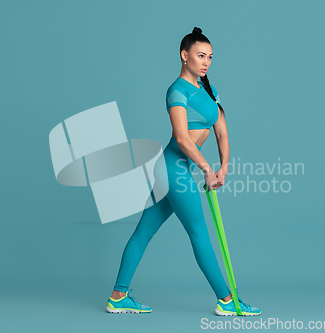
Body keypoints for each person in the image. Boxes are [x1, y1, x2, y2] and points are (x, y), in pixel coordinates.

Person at [105, 27, 261, 316]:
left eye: (210, 57)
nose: (206, 62)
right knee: (199, 232)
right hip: (172, 169)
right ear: (184, 55)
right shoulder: (177, 91)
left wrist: (223, 168)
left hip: (180, 169)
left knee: (143, 233)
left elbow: (222, 133)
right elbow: (181, 138)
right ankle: (227, 301)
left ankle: (118, 296)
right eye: (201, 56)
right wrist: (206, 169)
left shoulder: (209, 90)